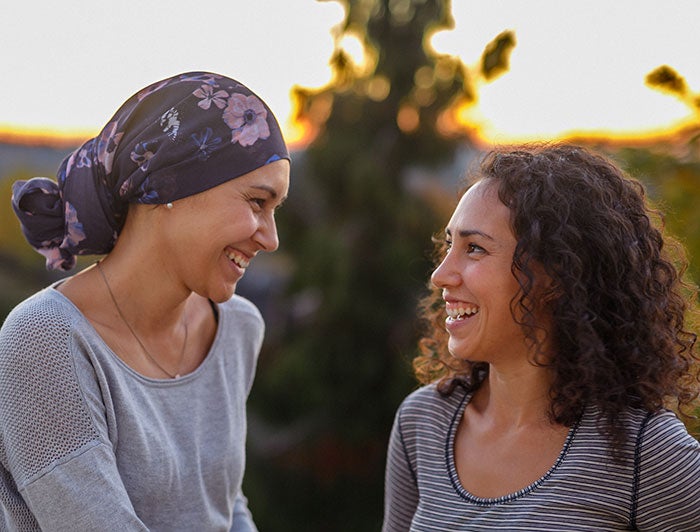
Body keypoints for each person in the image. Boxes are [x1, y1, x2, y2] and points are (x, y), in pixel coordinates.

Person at [0, 71, 290, 531]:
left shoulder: (238, 327)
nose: (271, 238)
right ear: (173, 186)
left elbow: (225, 506)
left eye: (275, 211)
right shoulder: (44, 341)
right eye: (257, 202)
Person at [383, 143, 700, 531]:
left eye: (475, 248)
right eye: (450, 245)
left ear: (556, 275)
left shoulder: (644, 451)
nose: (441, 275)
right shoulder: (424, 422)